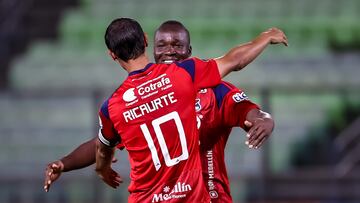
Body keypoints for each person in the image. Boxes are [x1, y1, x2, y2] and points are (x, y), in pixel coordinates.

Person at [44, 19, 287, 202]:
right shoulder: (182, 76)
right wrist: (264, 38)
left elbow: (103, 146)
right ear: (149, 44)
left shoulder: (119, 104)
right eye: (163, 44)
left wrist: (265, 118)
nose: (170, 50)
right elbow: (234, 61)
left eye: (177, 44)